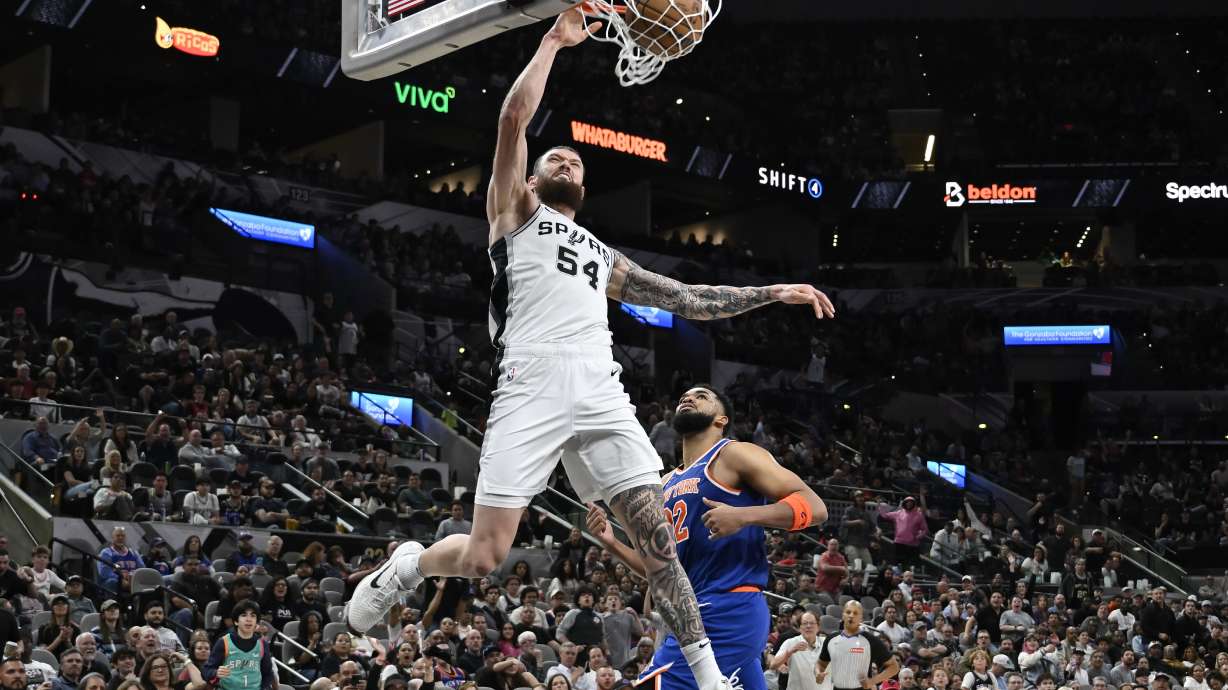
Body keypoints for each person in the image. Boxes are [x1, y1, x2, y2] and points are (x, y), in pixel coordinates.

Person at [345, 14, 835, 690]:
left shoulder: (604, 256)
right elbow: (512, 123)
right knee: (487, 555)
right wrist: (551, 43)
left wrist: (773, 290)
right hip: (530, 379)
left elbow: (687, 300)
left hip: (600, 390)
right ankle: (409, 566)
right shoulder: (513, 213)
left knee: (659, 541)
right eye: (557, 160)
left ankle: (709, 678)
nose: (566, 162)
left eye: (574, 162)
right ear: (537, 179)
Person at [587, 385, 827, 690]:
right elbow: (660, 568)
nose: (687, 398)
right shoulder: (663, 483)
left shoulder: (733, 454)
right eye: (683, 395)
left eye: (701, 396)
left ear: (721, 419)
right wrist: (612, 542)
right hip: (688, 612)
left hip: (727, 607)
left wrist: (744, 515)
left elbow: (816, 508)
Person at [814, 602, 900, 690]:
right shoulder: (831, 639)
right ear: (843, 615)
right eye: (848, 612)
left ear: (861, 618)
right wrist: (817, 673)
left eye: (855, 613)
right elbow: (821, 663)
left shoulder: (871, 640)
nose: (851, 615)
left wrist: (872, 681)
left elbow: (894, 667)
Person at [201, 600, 274, 690]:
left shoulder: (262, 644)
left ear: (256, 622)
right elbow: (206, 670)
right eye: (244, 615)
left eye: (253, 616)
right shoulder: (223, 642)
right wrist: (215, 673)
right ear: (236, 621)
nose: (248, 619)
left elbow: (268, 674)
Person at [771, 611, 824, 690]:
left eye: (812, 623)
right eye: (805, 623)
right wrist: (790, 652)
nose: (808, 626)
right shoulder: (790, 642)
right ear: (799, 628)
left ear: (818, 627)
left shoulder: (826, 643)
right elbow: (773, 665)